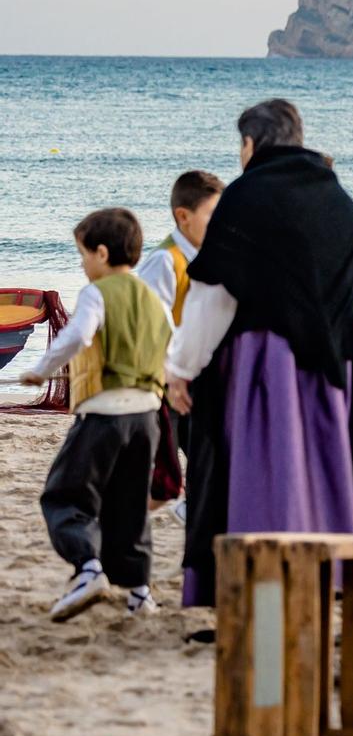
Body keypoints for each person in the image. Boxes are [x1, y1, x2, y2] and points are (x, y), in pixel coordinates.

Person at [166, 99, 353, 607]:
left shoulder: (245, 198)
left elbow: (214, 296)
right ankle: (343, 577)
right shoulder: (339, 200)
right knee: (337, 467)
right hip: (346, 362)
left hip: (270, 363)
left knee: (275, 470)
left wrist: (180, 370)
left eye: (241, 144)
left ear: (252, 143)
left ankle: (271, 597)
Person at [23, 209, 171, 620]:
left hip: (104, 413)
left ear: (102, 254)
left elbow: (79, 333)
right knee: (130, 504)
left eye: (83, 255)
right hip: (147, 416)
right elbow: (171, 347)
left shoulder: (98, 292)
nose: (83, 264)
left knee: (65, 495)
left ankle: (89, 567)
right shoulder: (152, 297)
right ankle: (140, 591)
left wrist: (43, 369)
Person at [134, 169, 223, 515]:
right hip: (168, 380)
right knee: (181, 456)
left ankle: (195, 508)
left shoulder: (206, 256)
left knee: (205, 453)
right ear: (183, 217)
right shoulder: (165, 260)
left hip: (194, 376)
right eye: (212, 214)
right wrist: (172, 374)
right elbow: (155, 325)